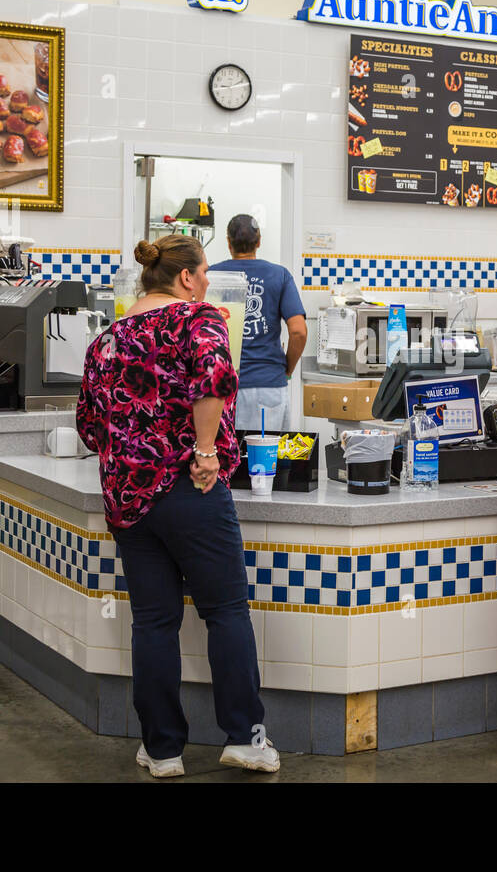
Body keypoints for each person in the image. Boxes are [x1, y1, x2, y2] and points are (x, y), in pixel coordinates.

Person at [76, 234, 279, 776]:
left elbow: (90, 428)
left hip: (128, 498)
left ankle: (162, 750)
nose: (209, 280)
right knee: (226, 611)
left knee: (154, 622)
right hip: (192, 487)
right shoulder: (199, 318)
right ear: (186, 277)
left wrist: (130, 452)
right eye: (206, 271)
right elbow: (214, 380)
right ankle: (246, 738)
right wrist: (207, 450)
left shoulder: (108, 339)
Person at [209, 214, 307, 430]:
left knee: (224, 460)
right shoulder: (279, 275)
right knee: (267, 459)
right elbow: (299, 332)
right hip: (268, 384)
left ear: (228, 242)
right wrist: (287, 369)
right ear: (259, 241)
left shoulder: (211, 275)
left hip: (219, 386)